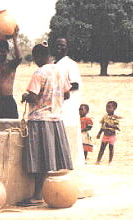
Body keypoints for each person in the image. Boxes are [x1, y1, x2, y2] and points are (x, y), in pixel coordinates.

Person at [18, 43, 73, 206]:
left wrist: (25, 96)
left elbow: (34, 98)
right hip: (56, 119)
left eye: (34, 58)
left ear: (39, 56)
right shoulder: (60, 71)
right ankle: (56, 193)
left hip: (39, 120)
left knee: (39, 159)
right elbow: (67, 95)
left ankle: (37, 195)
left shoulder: (39, 72)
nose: (34, 61)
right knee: (53, 159)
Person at [54, 37, 84, 167]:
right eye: (57, 45)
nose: (59, 47)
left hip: (68, 107)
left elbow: (75, 84)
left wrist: (57, 90)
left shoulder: (70, 64)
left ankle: (73, 165)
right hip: (57, 107)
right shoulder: (54, 64)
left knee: (69, 135)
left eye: (62, 45)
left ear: (67, 47)